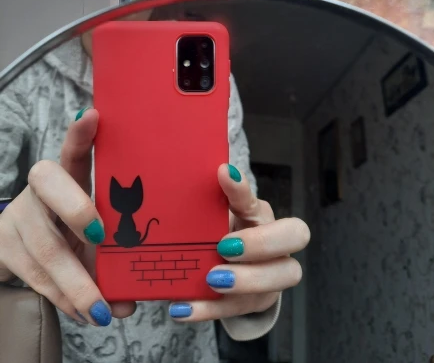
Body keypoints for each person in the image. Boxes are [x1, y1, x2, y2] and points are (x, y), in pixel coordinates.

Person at [0, 29, 310, 363]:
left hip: (190, 352)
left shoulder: (215, 73)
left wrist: (254, 272)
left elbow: (244, 215)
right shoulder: (25, 70)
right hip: (67, 350)